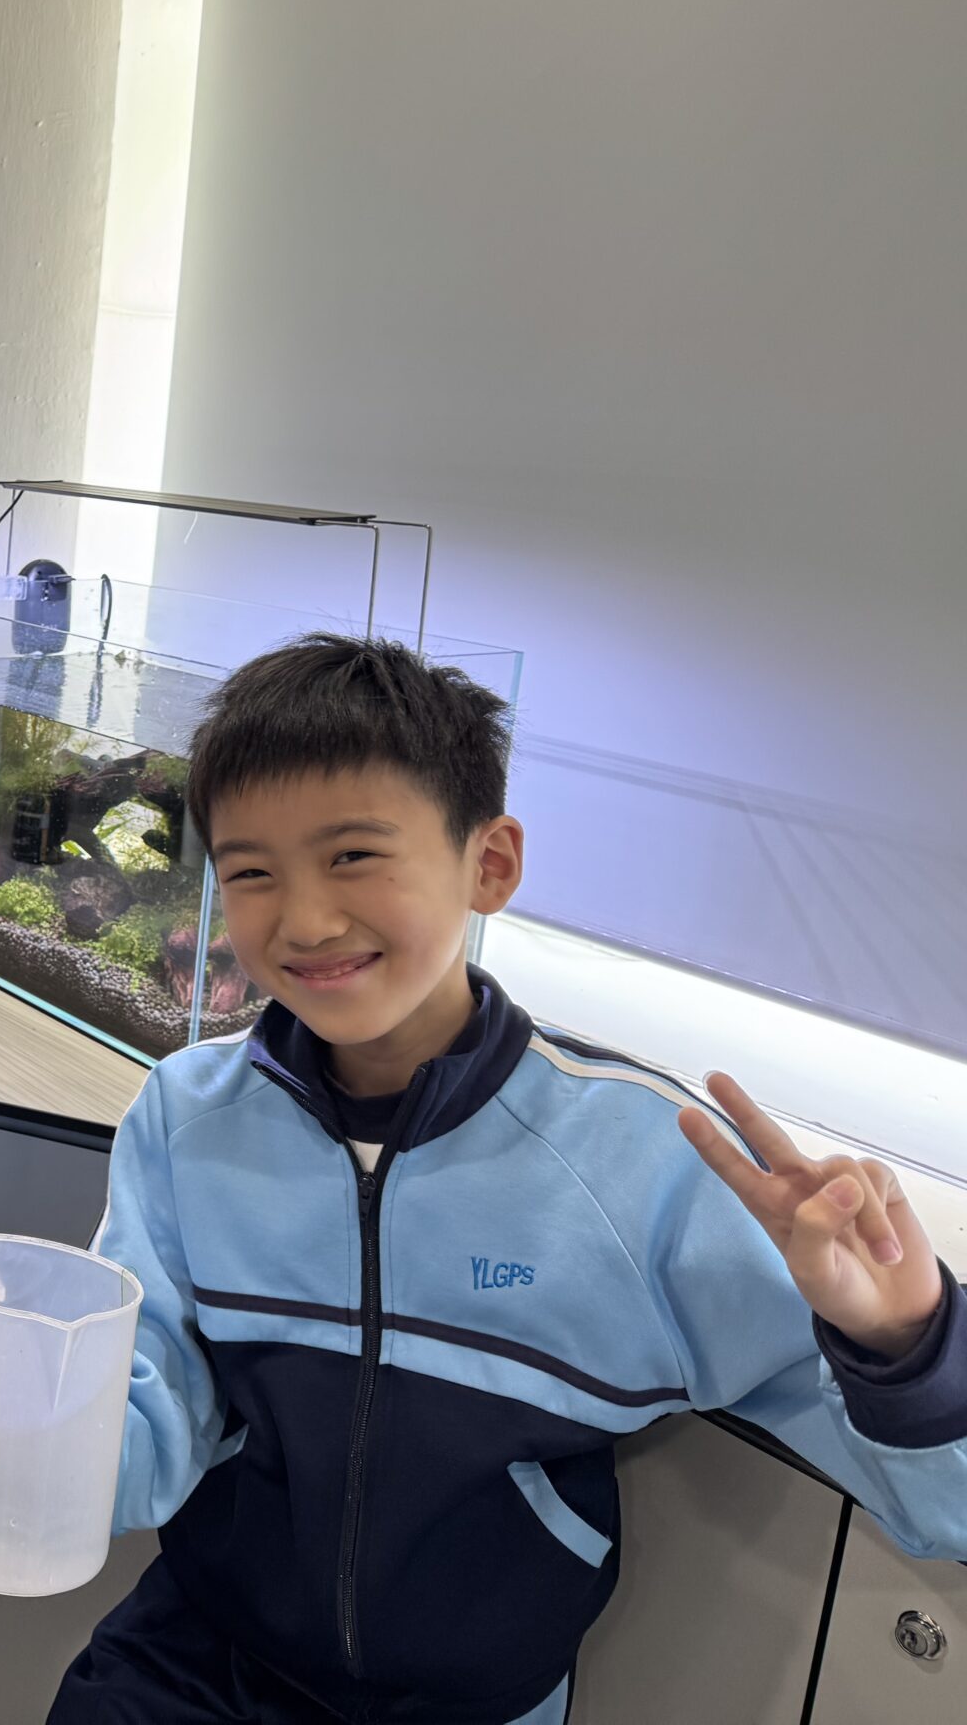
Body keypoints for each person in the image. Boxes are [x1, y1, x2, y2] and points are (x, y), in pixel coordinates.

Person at [50, 634, 967, 1725]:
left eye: (353, 856)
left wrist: (906, 1343)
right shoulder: (186, 1117)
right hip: (196, 1664)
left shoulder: (646, 1161)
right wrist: (25, 1428)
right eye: (251, 872)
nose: (303, 920)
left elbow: (945, 1508)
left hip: (466, 1704)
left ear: (489, 864)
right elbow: (147, 1407)